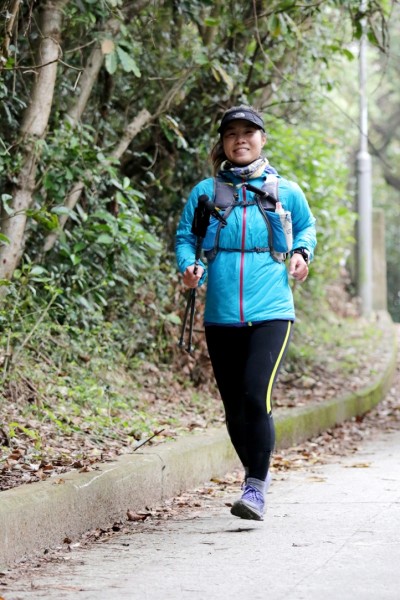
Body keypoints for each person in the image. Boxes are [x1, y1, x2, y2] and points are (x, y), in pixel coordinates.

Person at [175, 105, 316, 521]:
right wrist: (189, 266)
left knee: (256, 394)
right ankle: (253, 475)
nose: (240, 139)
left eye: (248, 132)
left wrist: (302, 253)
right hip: (220, 314)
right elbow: (186, 238)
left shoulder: (285, 190)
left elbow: (306, 227)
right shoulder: (205, 192)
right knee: (234, 408)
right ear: (223, 143)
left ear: (262, 139)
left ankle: (255, 485)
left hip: (272, 310)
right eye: (231, 133)